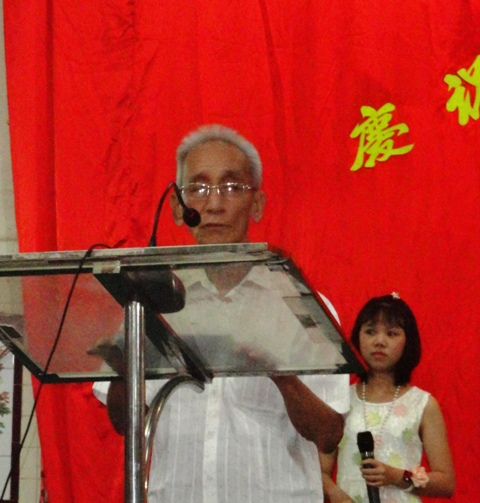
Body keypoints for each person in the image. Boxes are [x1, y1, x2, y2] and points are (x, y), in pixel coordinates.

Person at [93, 124, 350, 502]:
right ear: (178, 208)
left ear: (257, 204)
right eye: (197, 188)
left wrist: (281, 377)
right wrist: (122, 371)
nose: (213, 204)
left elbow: (329, 434)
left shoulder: (302, 307)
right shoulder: (149, 305)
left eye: (231, 187)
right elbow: (124, 424)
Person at [321, 293, 455, 503]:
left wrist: (397, 476)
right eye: (370, 331)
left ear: (408, 342)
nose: (379, 341)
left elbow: (446, 483)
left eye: (391, 333)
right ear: (357, 338)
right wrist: (338, 497)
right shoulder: (340, 400)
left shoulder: (423, 404)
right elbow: (320, 471)